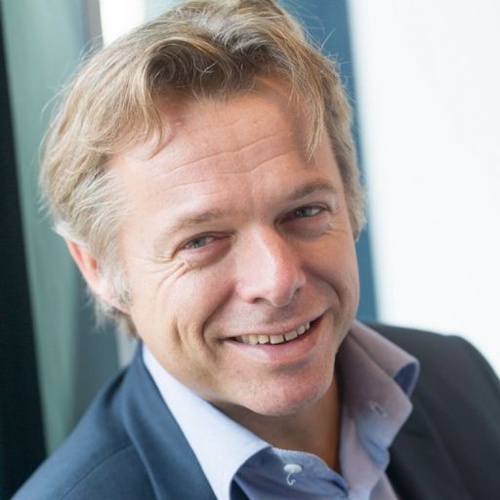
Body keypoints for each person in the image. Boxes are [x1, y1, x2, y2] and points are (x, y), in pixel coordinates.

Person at [15, 0, 500, 498]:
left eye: (304, 211)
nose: (278, 279)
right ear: (98, 268)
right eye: (201, 240)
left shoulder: (463, 378)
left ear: (352, 202)